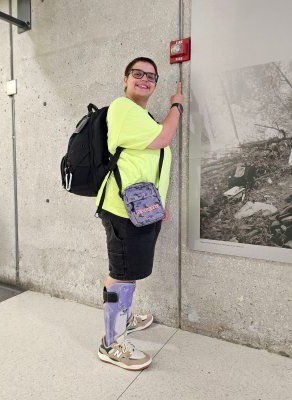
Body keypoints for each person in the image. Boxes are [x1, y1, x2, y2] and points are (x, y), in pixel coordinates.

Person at [96, 57, 184, 370]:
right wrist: (177, 106)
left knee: (128, 269)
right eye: (138, 74)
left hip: (142, 206)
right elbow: (164, 138)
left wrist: (158, 203)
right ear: (125, 79)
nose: (144, 79)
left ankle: (124, 317)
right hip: (122, 208)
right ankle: (112, 343)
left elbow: (149, 161)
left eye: (151, 76)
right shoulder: (122, 107)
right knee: (121, 272)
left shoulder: (142, 116)